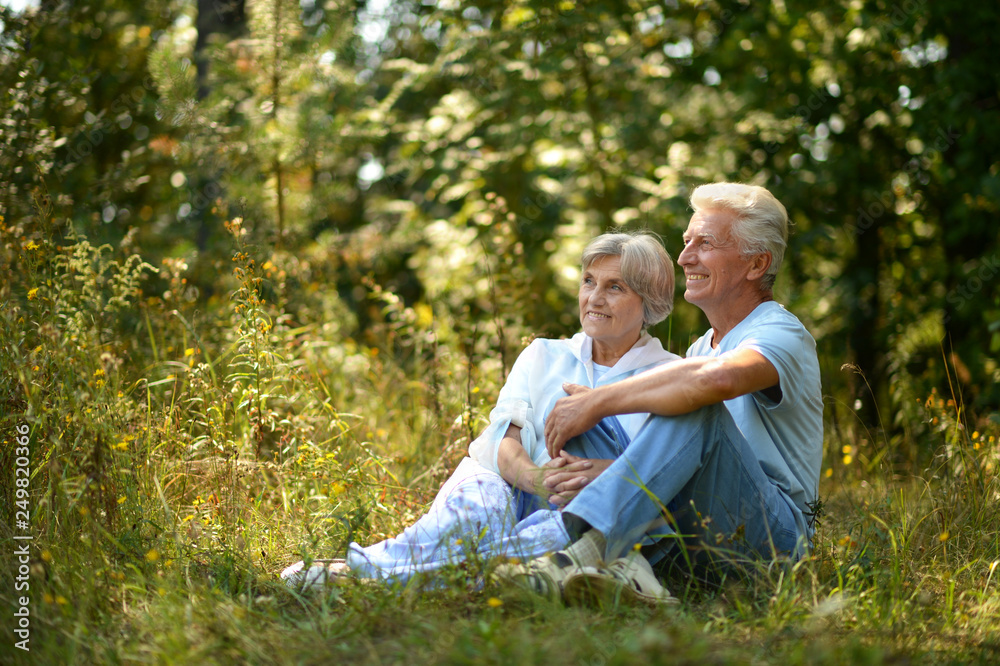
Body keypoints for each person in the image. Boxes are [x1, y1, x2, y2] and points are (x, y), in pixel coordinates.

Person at [281, 231, 679, 590]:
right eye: (589, 282)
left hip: (586, 510)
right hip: (511, 483)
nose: (594, 297)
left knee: (547, 540)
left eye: (615, 287)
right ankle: (372, 572)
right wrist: (536, 478)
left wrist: (602, 476)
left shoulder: (669, 375)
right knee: (474, 512)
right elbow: (502, 440)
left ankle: (361, 575)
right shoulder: (543, 354)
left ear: (650, 302)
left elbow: (668, 472)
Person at [495, 183, 823, 606]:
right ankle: (629, 572)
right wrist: (606, 448)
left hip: (771, 546)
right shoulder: (702, 348)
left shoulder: (780, 333)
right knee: (576, 398)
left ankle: (578, 555)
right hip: (693, 535)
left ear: (756, 264)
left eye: (705, 243)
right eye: (687, 242)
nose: (686, 257)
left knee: (688, 399)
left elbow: (714, 383)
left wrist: (600, 401)